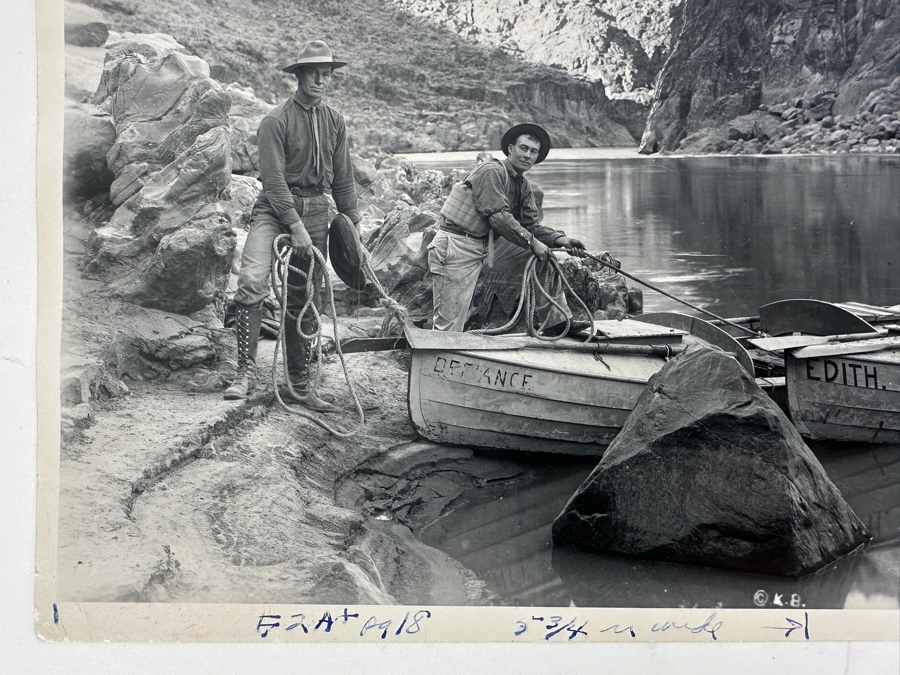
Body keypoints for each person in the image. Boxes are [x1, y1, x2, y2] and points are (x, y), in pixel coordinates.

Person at [224, 40, 360, 411]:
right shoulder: (275, 120)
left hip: (318, 207)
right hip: (273, 209)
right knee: (251, 280)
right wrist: (295, 225)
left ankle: (300, 385)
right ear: (298, 76)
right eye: (314, 73)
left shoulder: (335, 121)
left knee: (305, 297)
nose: (321, 80)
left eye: (327, 74)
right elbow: (273, 182)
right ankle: (244, 373)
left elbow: (344, 180)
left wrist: (353, 225)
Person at [427, 123, 586, 332]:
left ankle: (556, 323)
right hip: (456, 246)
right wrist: (532, 241)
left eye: (534, 152)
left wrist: (560, 240)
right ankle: (438, 352)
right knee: (449, 326)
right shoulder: (492, 171)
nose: (528, 155)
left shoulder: (522, 185)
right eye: (524, 148)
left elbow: (531, 226)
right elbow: (499, 218)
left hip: (488, 248)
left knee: (545, 257)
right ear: (511, 149)